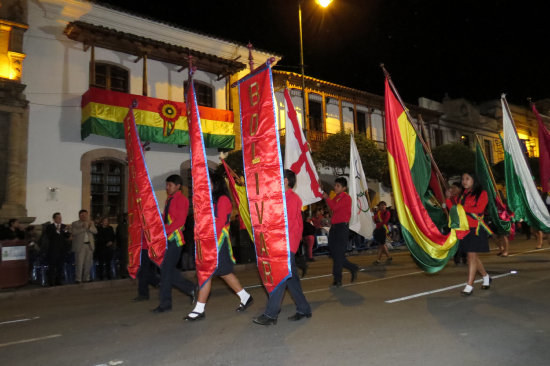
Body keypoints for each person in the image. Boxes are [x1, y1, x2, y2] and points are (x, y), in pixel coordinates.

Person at [185, 174, 253, 321]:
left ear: (216, 183)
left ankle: (199, 308)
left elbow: (219, 222)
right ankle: (245, 296)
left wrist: (205, 235)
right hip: (207, 241)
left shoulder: (223, 199)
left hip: (218, 242)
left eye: (208, 182)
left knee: (209, 273)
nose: (205, 185)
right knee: (223, 273)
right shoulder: (207, 200)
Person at [253, 170, 312, 325]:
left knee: (280, 277)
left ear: (285, 180)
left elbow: (285, 222)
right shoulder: (282, 198)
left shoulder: (292, 198)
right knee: (291, 280)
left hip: (286, 244)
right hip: (281, 242)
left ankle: (271, 314)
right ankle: (304, 308)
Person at [152, 174, 196, 313]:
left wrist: (164, 231)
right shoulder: (169, 200)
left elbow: (180, 221)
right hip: (167, 239)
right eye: (167, 185)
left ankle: (165, 304)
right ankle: (191, 288)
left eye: (170, 185)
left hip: (175, 240)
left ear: (178, 186)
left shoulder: (181, 200)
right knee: (166, 269)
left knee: (165, 271)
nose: (167, 187)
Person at [446, 172, 492, 296]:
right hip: (464, 228)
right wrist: (448, 198)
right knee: (472, 256)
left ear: (474, 180)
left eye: (467, 179)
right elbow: (453, 209)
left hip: (475, 228)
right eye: (463, 179)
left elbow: (479, 209)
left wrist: (461, 208)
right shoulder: (461, 195)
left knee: (471, 256)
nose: (464, 181)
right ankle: (486, 277)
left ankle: (469, 285)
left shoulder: (482, 193)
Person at [323, 177, 359, 287]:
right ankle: (353, 267)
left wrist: (327, 198)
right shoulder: (337, 197)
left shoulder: (346, 198)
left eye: (338, 186)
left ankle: (338, 279)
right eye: (335, 185)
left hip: (341, 229)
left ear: (344, 188)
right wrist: (325, 197)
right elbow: (332, 209)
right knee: (335, 255)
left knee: (338, 255)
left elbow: (334, 207)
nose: (335, 187)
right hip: (334, 228)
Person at [44, 212, 71, 286]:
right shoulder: (50, 227)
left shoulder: (64, 226)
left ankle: (58, 281)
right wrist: (57, 230)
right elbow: (48, 236)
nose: (60, 219)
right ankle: (50, 282)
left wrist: (67, 231)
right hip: (53, 250)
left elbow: (67, 236)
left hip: (62, 249)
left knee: (60, 266)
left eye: (60, 217)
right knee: (52, 266)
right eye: (58, 217)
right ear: (54, 219)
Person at [71, 209, 97, 283]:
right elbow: (74, 233)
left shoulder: (90, 223)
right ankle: (78, 279)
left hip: (89, 245)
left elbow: (95, 231)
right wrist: (83, 228)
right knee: (79, 263)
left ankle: (87, 278)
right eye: (83, 215)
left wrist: (88, 227)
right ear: (80, 215)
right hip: (80, 246)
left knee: (88, 263)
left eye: (86, 214)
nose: (85, 216)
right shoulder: (75, 223)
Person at [116, 213, 129, 278]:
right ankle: (123, 273)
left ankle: (129, 272)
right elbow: (121, 235)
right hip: (124, 245)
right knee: (124, 259)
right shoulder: (121, 225)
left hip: (131, 244)